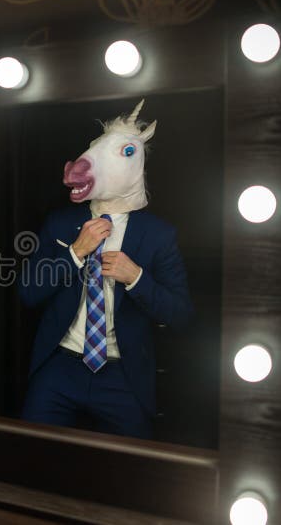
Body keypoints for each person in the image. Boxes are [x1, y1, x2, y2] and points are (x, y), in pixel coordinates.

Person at [19, 100, 193, 439]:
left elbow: (182, 315)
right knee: (29, 451)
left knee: (136, 469)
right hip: (61, 366)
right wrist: (73, 253)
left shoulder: (159, 236)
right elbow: (28, 294)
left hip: (121, 373)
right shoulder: (60, 223)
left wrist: (137, 278)